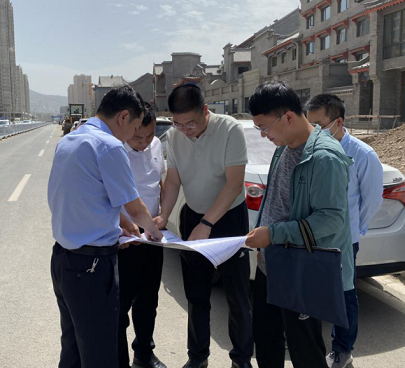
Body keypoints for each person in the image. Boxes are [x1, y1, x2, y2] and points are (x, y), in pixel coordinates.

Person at [48, 86, 164, 368]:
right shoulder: (109, 146)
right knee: (100, 353)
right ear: (123, 117)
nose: (132, 136)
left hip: (63, 261)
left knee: (73, 349)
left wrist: (120, 224)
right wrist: (155, 232)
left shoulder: (70, 140)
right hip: (92, 267)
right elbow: (135, 208)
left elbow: (90, 196)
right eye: (134, 128)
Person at [245, 81, 354, 368]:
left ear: (288, 117)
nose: (263, 135)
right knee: (266, 340)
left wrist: (273, 233)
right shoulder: (283, 146)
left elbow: (330, 220)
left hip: (300, 268)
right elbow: (276, 199)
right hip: (271, 262)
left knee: (304, 349)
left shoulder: (324, 157)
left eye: (264, 127)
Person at [154, 83, 253, 368]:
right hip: (193, 217)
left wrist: (208, 222)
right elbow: (173, 181)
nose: (185, 130)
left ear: (205, 111)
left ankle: (241, 359)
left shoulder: (230, 129)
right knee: (196, 295)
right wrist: (163, 216)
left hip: (228, 219)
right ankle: (197, 357)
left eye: (191, 123)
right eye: (178, 123)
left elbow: (234, 184)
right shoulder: (174, 136)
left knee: (237, 295)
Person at [305, 94, 383, 368]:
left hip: (343, 240)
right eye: (310, 125)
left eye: (319, 125)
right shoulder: (310, 149)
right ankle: (306, 340)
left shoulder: (362, 154)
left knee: (344, 294)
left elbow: (372, 200)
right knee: (312, 290)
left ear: (338, 122)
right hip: (313, 234)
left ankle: (342, 349)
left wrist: (353, 230)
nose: (314, 132)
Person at [118, 103, 167, 368]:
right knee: (121, 303)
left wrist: (161, 217)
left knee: (149, 299)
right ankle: (119, 359)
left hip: (152, 238)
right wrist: (125, 226)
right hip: (126, 239)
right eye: (138, 136)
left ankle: (144, 353)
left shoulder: (156, 145)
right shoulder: (116, 151)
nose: (144, 142)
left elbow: (159, 183)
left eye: (149, 135)